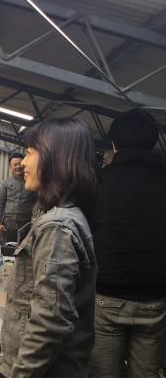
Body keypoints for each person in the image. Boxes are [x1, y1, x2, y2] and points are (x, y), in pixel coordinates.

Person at [0, 118, 99, 378]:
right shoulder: (59, 216)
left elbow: (50, 320)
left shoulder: (57, 226)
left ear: (55, 158)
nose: (23, 163)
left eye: (30, 153)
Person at [90, 110, 166, 378]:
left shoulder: (100, 181)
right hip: (155, 298)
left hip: (107, 294)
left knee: (103, 373)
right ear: (154, 142)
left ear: (114, 144)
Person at [0, 152, 37, 243]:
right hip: (8, 225)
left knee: (25, 249)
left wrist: (35, 222)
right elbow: (0, 204)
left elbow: (36, 204)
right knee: (7, 248)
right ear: (10, 166)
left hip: (26, 225)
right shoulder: (5, 183)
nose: (18, 167)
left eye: (20, 164)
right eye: (15, 164)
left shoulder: (31, 183)